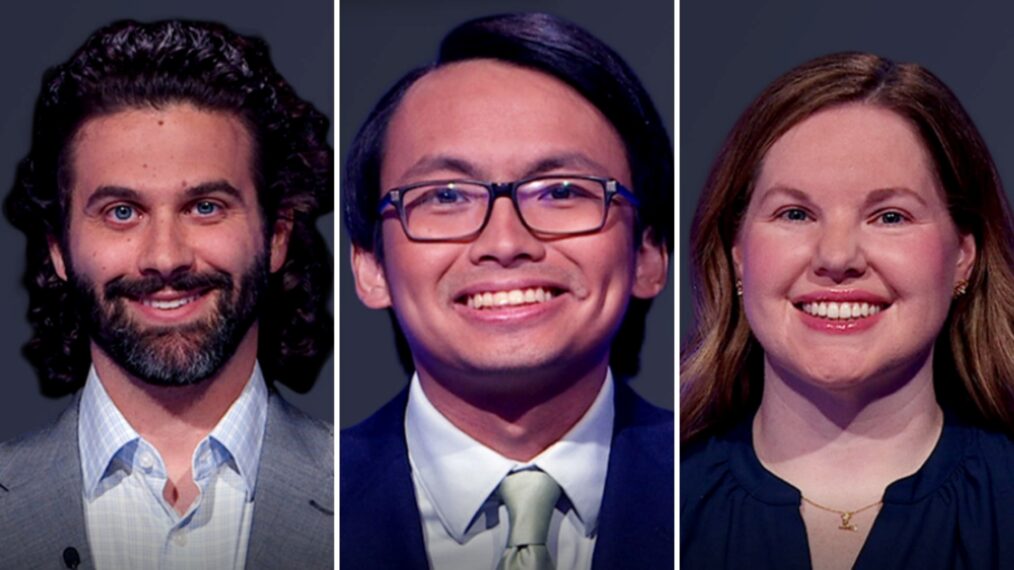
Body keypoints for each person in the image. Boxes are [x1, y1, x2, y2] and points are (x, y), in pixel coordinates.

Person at [341, 12, 673, 570]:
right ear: (370, 266)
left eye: (562, 191)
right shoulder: (313, 509)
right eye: (445, 196)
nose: (505, 241)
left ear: (648, 253)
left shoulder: (719, 502)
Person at [0, 19, 333, 569]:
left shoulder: (369, 501)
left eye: (205, 206)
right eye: (121, 212)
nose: (165, 257)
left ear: (277, 235)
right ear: (58, 248)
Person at [681, 52, 1014, 569]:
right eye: (795, 213)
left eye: (889, 216)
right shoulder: (652, 506)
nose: (837, 257)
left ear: (962, 258)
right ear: (739, 255)